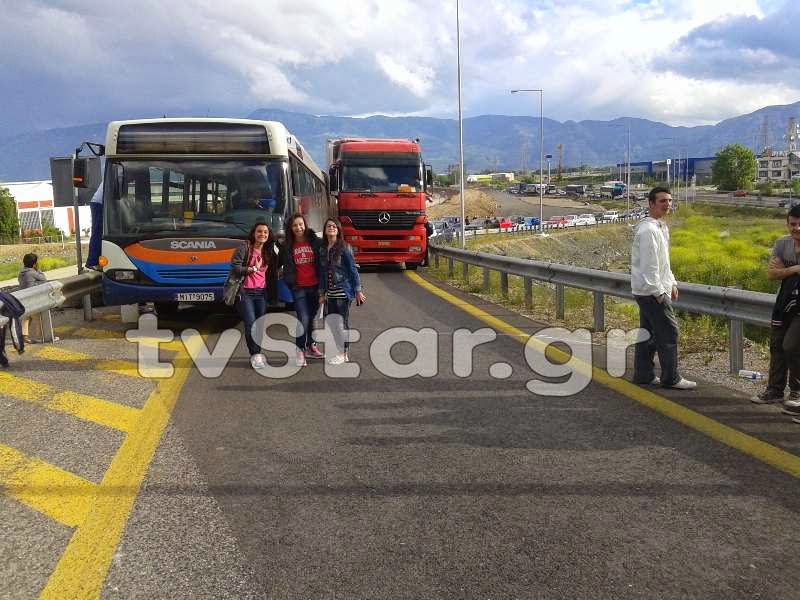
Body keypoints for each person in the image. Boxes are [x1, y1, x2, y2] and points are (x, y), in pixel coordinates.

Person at [630, 186, 696, 390]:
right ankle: (671, 378)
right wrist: (659, 292)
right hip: (652, 292)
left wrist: (672, 282)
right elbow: (650, 266)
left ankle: (643, 375)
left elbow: (663, 262)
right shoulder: (648, 230)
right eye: (662, 201)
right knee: (669, 332)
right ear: (651, 204)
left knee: (647, 334)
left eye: (669, 200)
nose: (668, 204)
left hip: (652, 290)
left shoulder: (659, 227)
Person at [751, 204, 800, 416]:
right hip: (784, 304)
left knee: (791, 346)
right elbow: (772, 274)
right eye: (793, 224)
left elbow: (779, 272)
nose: (796, 228)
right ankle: (775, 390)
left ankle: (797, 393)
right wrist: (796, 269)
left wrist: (784, 270)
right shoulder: (782, 243)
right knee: (777, 345)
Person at [228, 222, 278, 369]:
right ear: (253, 233)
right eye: (259, 232)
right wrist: (253, 268)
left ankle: (257, 353)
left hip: (261, 293)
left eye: (265, 232)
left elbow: (277, 265)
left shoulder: (268, 250)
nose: (262, 234)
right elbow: (235, 268)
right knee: (251, 324)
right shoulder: (245, 247)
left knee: (259, 325)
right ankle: (255, 354)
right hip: (245, 292)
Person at [318, 218, 365, 365]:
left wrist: (358, 290)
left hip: (343, 291)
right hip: (329, 292)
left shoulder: (344, 247)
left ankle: (343, 354)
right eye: (328, 226)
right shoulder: (322, 249)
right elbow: (321, 273)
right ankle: (340, 351)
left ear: (338, 230)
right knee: (331, 322)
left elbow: (352, 270)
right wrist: (321, 293)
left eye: (334, 226)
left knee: (341, 323)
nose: (331, 228)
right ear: (325, 230)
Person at [281, 213, 324, 367]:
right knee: (303, 318)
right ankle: (300, 350)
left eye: (300, 224)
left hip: (315, 286)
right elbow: (279, 263)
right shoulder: (286, 246)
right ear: (290, 228)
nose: (298, 228)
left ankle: (311, 346)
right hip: (298, 287)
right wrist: (289, 281)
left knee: (312, 318)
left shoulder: (316, 242)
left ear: (305, 225)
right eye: (294, 225)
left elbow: (325, 261)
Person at [17, 253, 48, 344]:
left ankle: (24, 336)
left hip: (23, 299)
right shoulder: (32, 273)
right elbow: (44, 279)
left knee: (26, 317)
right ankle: (40, 337)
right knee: (38, 318)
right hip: (32, 299)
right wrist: (38, 269)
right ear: (34, 264)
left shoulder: (21, 273)